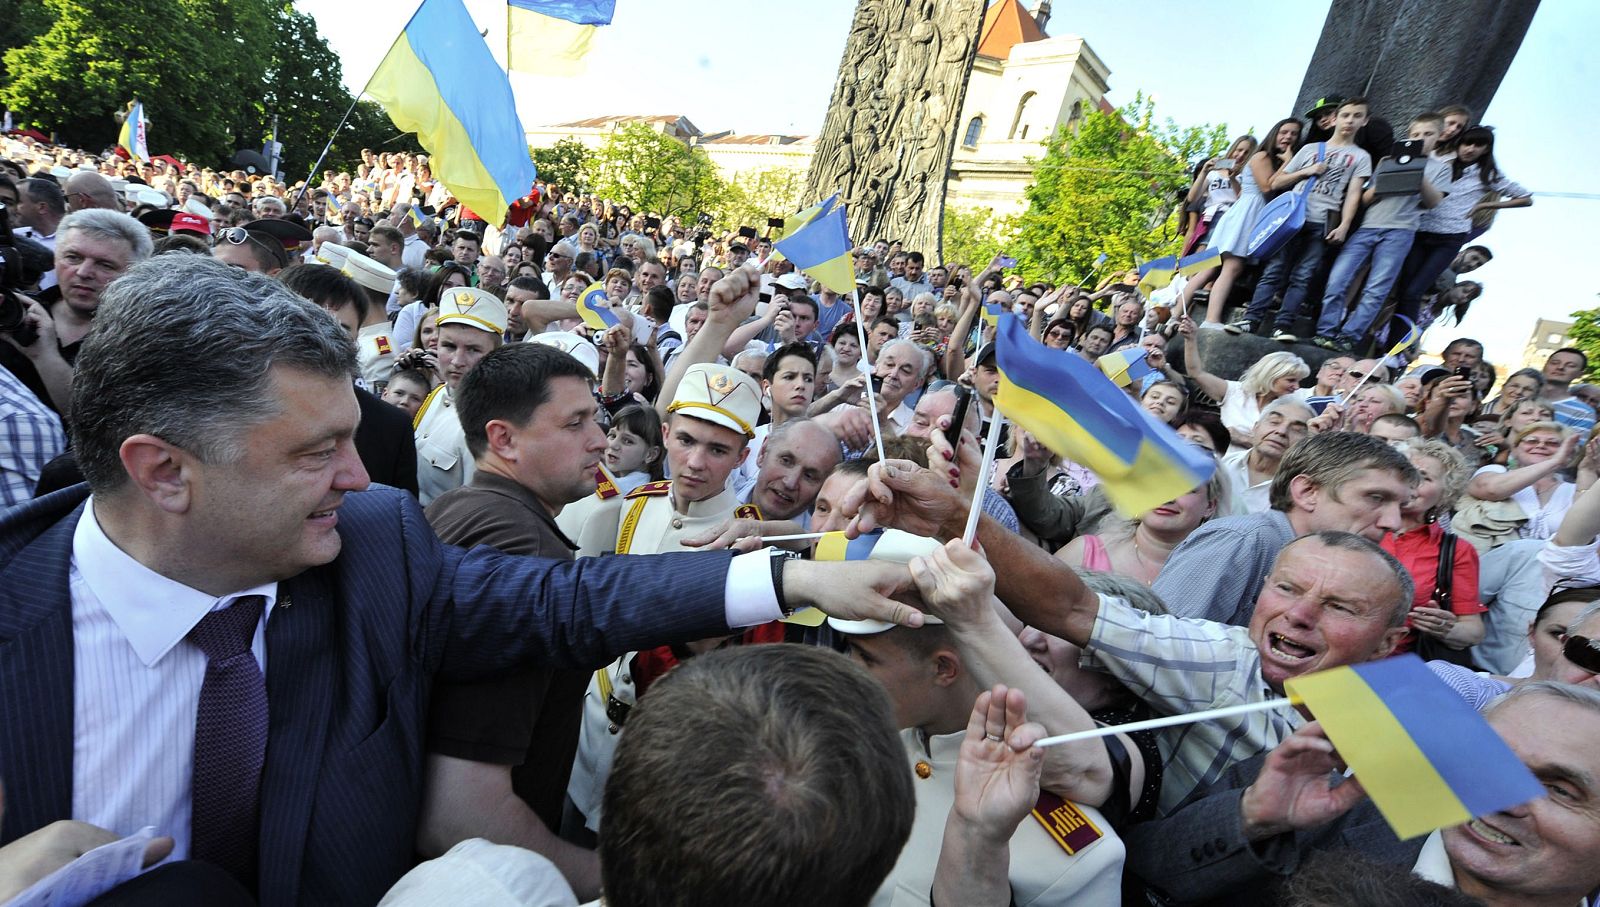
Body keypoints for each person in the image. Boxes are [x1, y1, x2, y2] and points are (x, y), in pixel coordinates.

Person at [0, 255, 919, 905]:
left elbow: (570, 601)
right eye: (317, 453)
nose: (360, 479)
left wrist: (798, 576)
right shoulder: (16, 614)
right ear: (164, 472)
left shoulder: (376, 550)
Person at [832, 535, 1125, 905]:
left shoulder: (1069, 859)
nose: (848, 670)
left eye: (866, 658)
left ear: (944, 668)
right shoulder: (856, 740)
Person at [416, 344, 611, 900]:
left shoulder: (459, 508)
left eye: (595, 418)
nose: (600, 439)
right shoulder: (524, 552)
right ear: (503, 439)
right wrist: (605, 880)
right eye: (576, 422)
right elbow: (460, 815)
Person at [1124, 683, 1600, 907]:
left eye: (1558, 789)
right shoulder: (1329, 802)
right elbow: (1139, 874)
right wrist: (1253, 820)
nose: (1502, 796)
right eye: (1490, 758)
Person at [1153, 432, 1416, 626]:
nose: (1392, 522)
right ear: (1307, 491)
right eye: (1376, 498)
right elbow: (1158, 645)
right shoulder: (1243, 541)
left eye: (1401, 506)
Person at [574, 362, 764, 557]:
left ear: (740, 458)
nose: (695, 463)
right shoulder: (636, 504)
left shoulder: (748, 539)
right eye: (686, 441)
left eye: (717, 450)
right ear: (665, 435)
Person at [1309, 112, 1451, 353]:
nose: (1422, 138)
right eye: (1416, 134)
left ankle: (1349, 336)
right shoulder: (1388, 160)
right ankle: (1325, 331)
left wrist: (1417, 173)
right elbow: (1365, 198)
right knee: (1338, 279)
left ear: (1439, 137)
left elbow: (1434, 202)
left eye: (1428, 134)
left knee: (1376, 289)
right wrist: (1388, 179)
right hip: (1369, 227)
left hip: (1401, 231)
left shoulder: (1441, 168)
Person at [1234, 98, 1374, 341]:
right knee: (1274, 270)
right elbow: (1277, 182)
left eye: (1356, 116)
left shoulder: (1361, 156)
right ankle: (1252, 319)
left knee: (1303, 275)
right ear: (1335, 119)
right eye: (1346, 115)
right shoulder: (1310, 150)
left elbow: (1354, 194)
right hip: (1292, 217)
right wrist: (1306, 171)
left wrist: (1344, 225)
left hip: (1323, 221)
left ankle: (1283, 325)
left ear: (1365, 121)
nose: (1350, 120)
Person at [1, 209, 153, 415]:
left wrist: (44, 355)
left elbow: (100, 424)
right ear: (55, 259)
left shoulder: (141, 342)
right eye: (73, 257)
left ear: (134, 274)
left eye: (105, 265)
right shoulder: (11, 310)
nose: (83, 272)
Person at [1191, 118, 1303, 326]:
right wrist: (1289, 163)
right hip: (1243, 216)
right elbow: (1268, 188)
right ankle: (1211, 319)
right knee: (1229, 269)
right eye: (1284, 132)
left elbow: (1242, 191)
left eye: (1294, 134)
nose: (1288, 137)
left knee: (1209, 269)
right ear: (1274, 134)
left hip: (1240, 214)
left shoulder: (1259, 161)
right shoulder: (1262, 156)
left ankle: (1176, 315)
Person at [1380, 440, 1485, 656]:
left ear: (1445, 493)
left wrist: (1446, 628)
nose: (1410, 483)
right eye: (1404, 473)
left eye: (1423, 477)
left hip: (1394, 667)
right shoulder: (1358, 525)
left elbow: (1473, 631)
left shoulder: (1456, 550)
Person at [413, 287, 506, 505]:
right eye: (449, 346)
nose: (457, 361)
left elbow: (473, 510)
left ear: (495, 355)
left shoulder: (489, 423)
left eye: (473, 350)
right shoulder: (438, 394)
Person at [1054, 471, 1223, 584]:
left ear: (1210, 506)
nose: (1167, 498)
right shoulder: (1084, 551)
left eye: (1185, 489)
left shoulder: (1216, 575)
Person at [1181, 315, 1310, 447]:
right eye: (1291, 380)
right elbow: (1196, 372)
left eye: (1298, 381)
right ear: (1272, 376)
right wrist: (1190, 339)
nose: (1296, 386)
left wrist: (1244, 439)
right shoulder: (1235, 391)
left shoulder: (1292, 408)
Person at [1219, 398, 1314, 514]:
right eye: (1274, 421)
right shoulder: (1219, 464)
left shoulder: (1300, 494)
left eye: (1297, 430)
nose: (1281, 431)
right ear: (1255, 427)